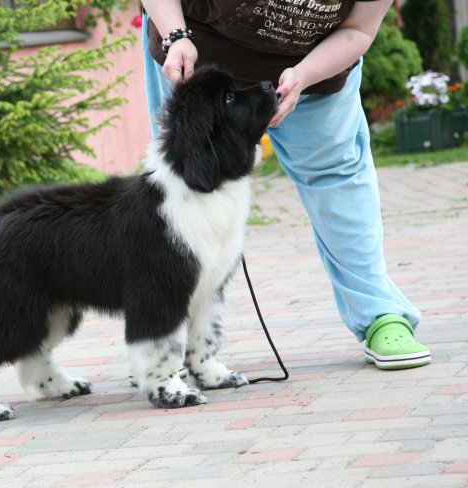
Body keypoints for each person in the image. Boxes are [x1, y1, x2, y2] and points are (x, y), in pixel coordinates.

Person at [140, 0, 430, 370]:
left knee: (336, 176)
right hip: (195, 50)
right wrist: (175, 36)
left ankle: (380, 314)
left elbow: (358, 29)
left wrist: (303, 76)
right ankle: (164, 346)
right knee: (179, 195)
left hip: (316, 64)